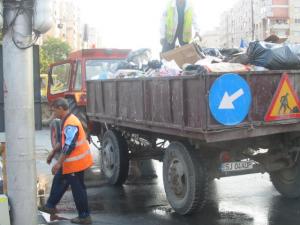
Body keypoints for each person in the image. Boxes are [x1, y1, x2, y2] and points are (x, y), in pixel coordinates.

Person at [39, 98, 93, 224]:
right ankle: (50, 206)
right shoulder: (65, 120)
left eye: (54, 110)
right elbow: (62, 141)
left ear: (60, 108)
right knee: (59, 180)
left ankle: (84, 216)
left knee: (78, 189)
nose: (53, 113)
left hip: (76, 163)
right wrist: (53, 152)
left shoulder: (71, 123)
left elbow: (69, 146)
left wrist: (58, 163)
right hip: (70, 162)